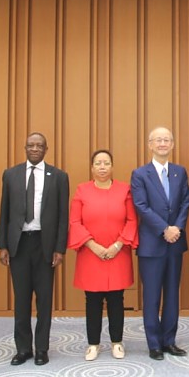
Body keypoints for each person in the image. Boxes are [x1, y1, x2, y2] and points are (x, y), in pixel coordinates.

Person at [0, 133, 70, 366]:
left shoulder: (59, 176)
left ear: (46, 149)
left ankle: (41, 348)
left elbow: (62, 216)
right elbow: (5, 213)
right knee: (21, 299)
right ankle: (22, 349)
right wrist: (3, 245)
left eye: (40, 145)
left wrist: (60, 248)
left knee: (44, 299)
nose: (35, 149)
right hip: (19, 244)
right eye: (31, 145)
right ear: (25, 147)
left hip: (45, 244)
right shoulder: (11, 175)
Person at [68, 149, 139, 360]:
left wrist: (117, 245)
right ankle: (93, 344)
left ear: (112, 166)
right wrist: (93, 245)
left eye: (106, 163)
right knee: (93, 300)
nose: (102, 167)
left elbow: (132, 221)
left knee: (117, 298)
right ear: (92, 167)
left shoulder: (124, 190)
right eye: (98, 163)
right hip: (91, 254)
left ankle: (117, 342)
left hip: (118, 252)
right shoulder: (82, 190)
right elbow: (75, 222)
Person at [131, 126, 189, 360]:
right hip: (152, 244)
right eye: (159, 140)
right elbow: (141, 206)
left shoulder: (179, 172)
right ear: (150, 145)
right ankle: (154, 343)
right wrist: (164, 229)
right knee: (152, 296)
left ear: (172, 144)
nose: (163, 144)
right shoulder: (140, 174)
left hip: (175, 242)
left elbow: (186, 201)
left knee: (172, 295)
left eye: (167, 140)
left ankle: (169, 341)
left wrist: (176, 227)